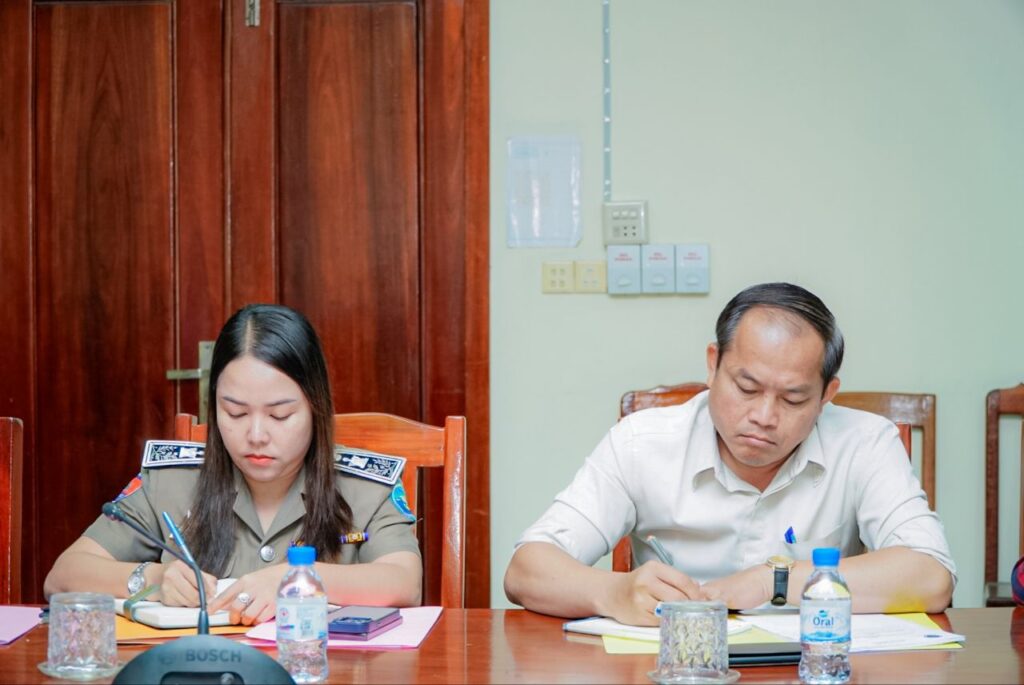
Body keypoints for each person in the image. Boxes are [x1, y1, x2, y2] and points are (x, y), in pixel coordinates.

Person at [505, 282, 955, 626]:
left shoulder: (865, 443)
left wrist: (772, 580)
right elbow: (526, 571)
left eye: (794, 399)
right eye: (746, 387)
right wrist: (613, 592)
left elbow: (931, 575)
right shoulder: (641, 443)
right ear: (712, 364)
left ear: (826, 395)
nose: (764, 416)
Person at [45, 304, 422, 624]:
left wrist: (299, 578)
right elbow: (63, 575)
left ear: (315, 408)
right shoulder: (171, 481)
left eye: (279, 415)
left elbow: (405, 581)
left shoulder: (366, 486)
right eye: (236, 413)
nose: (256, 435)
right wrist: (154, 578)